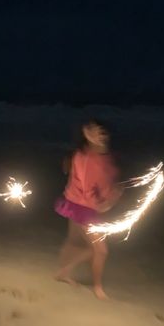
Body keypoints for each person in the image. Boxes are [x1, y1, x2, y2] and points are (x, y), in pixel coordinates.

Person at [54, 119, 121, 299]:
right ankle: (98, 288)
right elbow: (87, 187)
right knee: (100, 250)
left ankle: (63, 273)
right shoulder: (84, 157)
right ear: (86, 134)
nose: (101, 135)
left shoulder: (103, 156)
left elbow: (105, 181)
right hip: (82, 206)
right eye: (96, 131)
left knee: (75, 242)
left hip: (76, 202)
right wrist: (105, 204)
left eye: (103, 131)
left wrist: (113, 193)